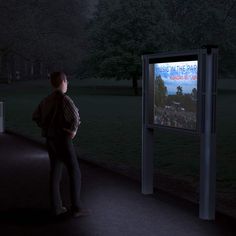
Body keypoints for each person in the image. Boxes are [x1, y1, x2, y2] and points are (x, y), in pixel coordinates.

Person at [32, 72, 89, 217]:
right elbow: (75, 117)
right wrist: (73, 131)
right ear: (63, 81)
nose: (67, 84)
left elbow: (36, 116)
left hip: (50, 140)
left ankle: (56, 207)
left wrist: (46, 127)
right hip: (63, 139)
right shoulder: (64, 99)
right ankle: (76, 207)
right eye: (67, 81)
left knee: (55, 173)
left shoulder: (46, 100)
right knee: (74, 171)